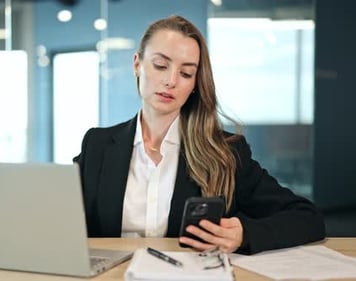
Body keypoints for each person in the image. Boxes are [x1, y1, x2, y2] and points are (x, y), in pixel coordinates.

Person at [73, 15, 325, 255]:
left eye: (186, 73)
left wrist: (245, 233)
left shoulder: (225, 151)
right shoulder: (97, 144)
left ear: (194, 84)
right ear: (137, 65)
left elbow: (307, 217)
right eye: (160, 65)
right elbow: (59, 218)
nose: (171, 81)